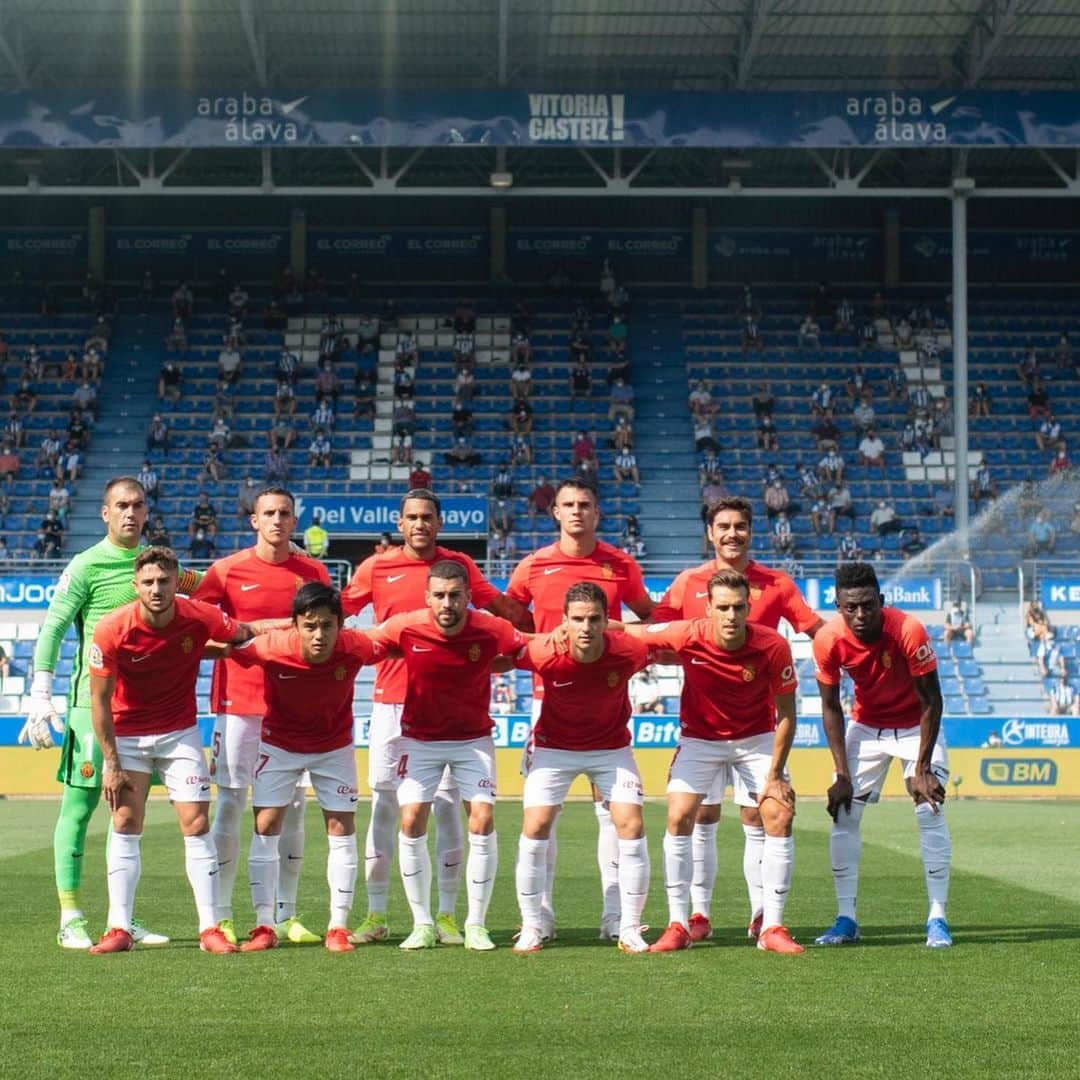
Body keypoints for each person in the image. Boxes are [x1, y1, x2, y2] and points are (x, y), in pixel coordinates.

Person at [340, 489, 528, 946]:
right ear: (400, 523)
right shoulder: (375, 566)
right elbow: (338, 614)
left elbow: (500, 613)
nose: (420, 524)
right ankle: (377, 913)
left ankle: (447, 916)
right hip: (392, 704)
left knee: (449, 812)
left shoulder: (459, 567)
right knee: (387, 808)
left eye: (428, 516)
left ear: (439, 523)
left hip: (454, 709)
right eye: (412, 517)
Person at [21, 477, 203, 949]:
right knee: (79, 808)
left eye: (138, 505)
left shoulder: (161, 567)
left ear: (146, 512)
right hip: (92, 707)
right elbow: (55, 626)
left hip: (146, 714)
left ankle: (122, 919)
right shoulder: (85, 566)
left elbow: (209, 588)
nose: (130, 513)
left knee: (128, 816)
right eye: (121, 505)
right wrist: (41, 690)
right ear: (105, 513)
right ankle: (70, 916)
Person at [651, 496, 822, 941]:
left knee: (759, 817)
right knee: (700, 815)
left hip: (758, 727)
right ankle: (696, 917)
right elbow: (657, 636)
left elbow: (817, 631)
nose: (732, 534)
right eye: (722, 526)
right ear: (710, 532)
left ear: (751, 531)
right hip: (702, 724)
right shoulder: (688, 582)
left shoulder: (777, 584)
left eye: (740, 526)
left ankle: (765, 917)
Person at [85, 546, 256, 954]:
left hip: (179, 733)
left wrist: (292, 630)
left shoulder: (200, 616)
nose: (156, 588)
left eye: (164, 580)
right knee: (125, 822)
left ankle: (210, 928)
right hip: (128, 736)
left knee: (196, 824)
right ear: (136, 586)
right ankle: (119, 928)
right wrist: (110, 763)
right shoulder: (111, 629)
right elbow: (99, 701)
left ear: (177, 581)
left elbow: (243, 636)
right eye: (148, 582)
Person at [622, 569, 802, 954]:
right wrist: (573, 628)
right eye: (723, 607)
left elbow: (787, 712)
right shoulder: (688, 633)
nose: (731, 615)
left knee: (779, 815)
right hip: (700, 740)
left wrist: (774, 775)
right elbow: (632, 633)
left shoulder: (772, 645)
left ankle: (772, 926)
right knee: (679, 816)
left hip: (756, 740)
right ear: (709, 608)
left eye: (738, 607)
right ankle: (679, 923)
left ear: (749, 607)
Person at [507, 476, 654, 940]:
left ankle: (616, 917)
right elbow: (510, 622)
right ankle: (540, 917)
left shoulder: (619, 563)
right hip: (545, 697)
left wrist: (613, 630)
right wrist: (543, 640)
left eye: (585, 504)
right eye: (568, 504)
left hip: (605, 696)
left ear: (597, 512)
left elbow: (650, 618)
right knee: (543, 816)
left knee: (611, 813)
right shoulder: (533, 566)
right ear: (555, 511)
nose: (576, 511)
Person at [192, 488, 332, 945]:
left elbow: (326, 637)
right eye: (268, 513)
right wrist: (241, 645)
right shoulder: (227, 571)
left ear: (295, 521)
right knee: (231, 804)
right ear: (254, 520)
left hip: (292, 709)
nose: (277, 520)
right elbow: (199, 633)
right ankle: (224, 914)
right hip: (237, 706)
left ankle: (285, 914)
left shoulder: (312, 572)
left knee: (292, 810)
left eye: (285, 513)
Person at [225, 584, 386, 953]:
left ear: (341, 625)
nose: (319, 635)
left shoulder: (356, 646)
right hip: (280, 747)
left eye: (327, 626)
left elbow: (395, 642)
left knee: (341, 830)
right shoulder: (272, 647)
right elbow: (223, 646)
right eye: (310, 626)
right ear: (295, 624)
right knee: (266, 827)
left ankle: (338, 927)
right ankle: (264, 924)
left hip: (334, 749)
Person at [814, 562, 952, 949]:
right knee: (843, 813)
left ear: (882, 601)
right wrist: (842, 773)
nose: (860, 615)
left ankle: (937, 917)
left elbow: (932, 701)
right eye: (851, 607)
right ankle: (846, 919)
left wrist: (922, 768)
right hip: (867, 726)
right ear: (838, 606)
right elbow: (830, 708)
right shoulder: (828, 640)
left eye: (868, 605)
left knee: (929, 807)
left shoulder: (908, 629)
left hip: (914, 725)